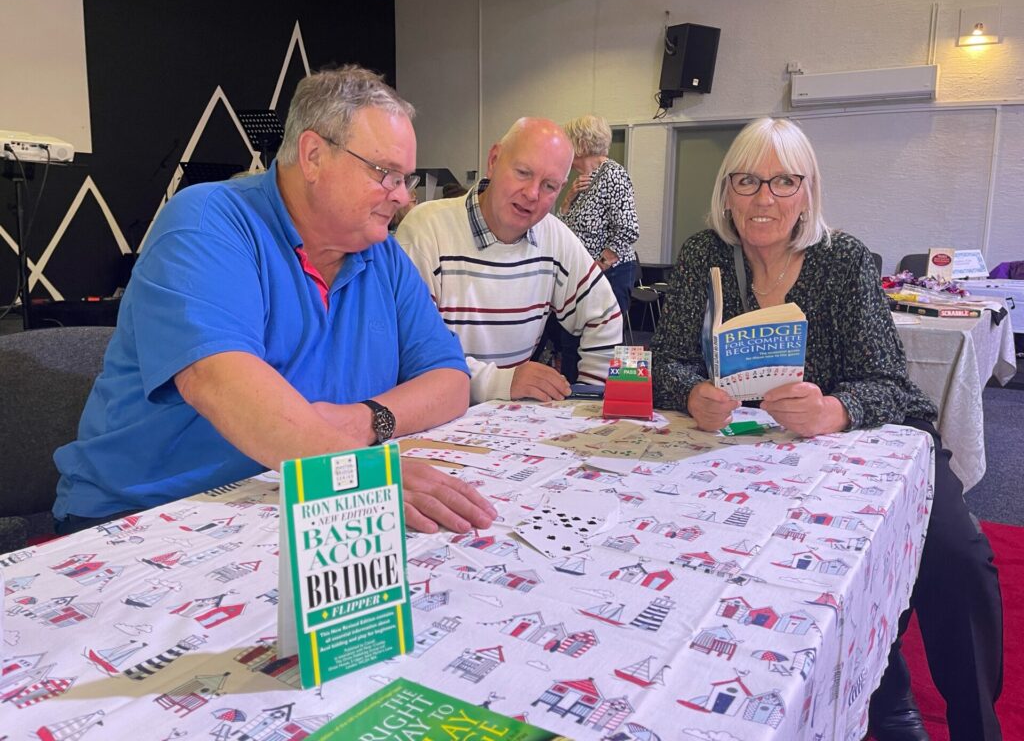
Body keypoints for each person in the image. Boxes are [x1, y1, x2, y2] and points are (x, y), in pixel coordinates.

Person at [650, 118, 1002, 741]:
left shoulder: (845, 261)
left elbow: (893, 383)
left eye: (784, 182)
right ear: (726, 191)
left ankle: (975, 723)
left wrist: (834, 409)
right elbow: (669, 360)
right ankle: (884, 692)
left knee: (958, 557)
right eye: (748, 181)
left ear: (808, 191)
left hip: (868, 447)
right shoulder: (703, 255)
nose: (765, 199)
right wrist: (691, 392)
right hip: (742, 455)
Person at [53, 65, 496, 537]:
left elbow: (449, 379)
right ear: (313, 156)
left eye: (405, 179)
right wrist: (363, 474)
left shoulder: (382, 253)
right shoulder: (209, 221)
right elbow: (220, 379)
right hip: (149, 518)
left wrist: (369, 420)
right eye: (386, 174)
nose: (403, 198)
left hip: (291, 499)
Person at [396, 117, 621, 404]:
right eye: (523, 173)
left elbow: (605, 315)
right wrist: (500, 382)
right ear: (493, 160)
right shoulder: (426, 229)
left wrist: (586, 398)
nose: (532, 194)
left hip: (514, 425)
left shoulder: (555, 237)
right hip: (439, 416)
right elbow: (411, 350)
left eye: (550, 186)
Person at [559, 114, 639, 318]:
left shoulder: (613, 174)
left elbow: (628, 228)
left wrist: (599, 266)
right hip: (584, 276)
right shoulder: (585, 181)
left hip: (609, 274)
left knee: (600, 344)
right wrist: (568, 199)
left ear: (582, 144)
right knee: (573, 344)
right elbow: (561, 231)